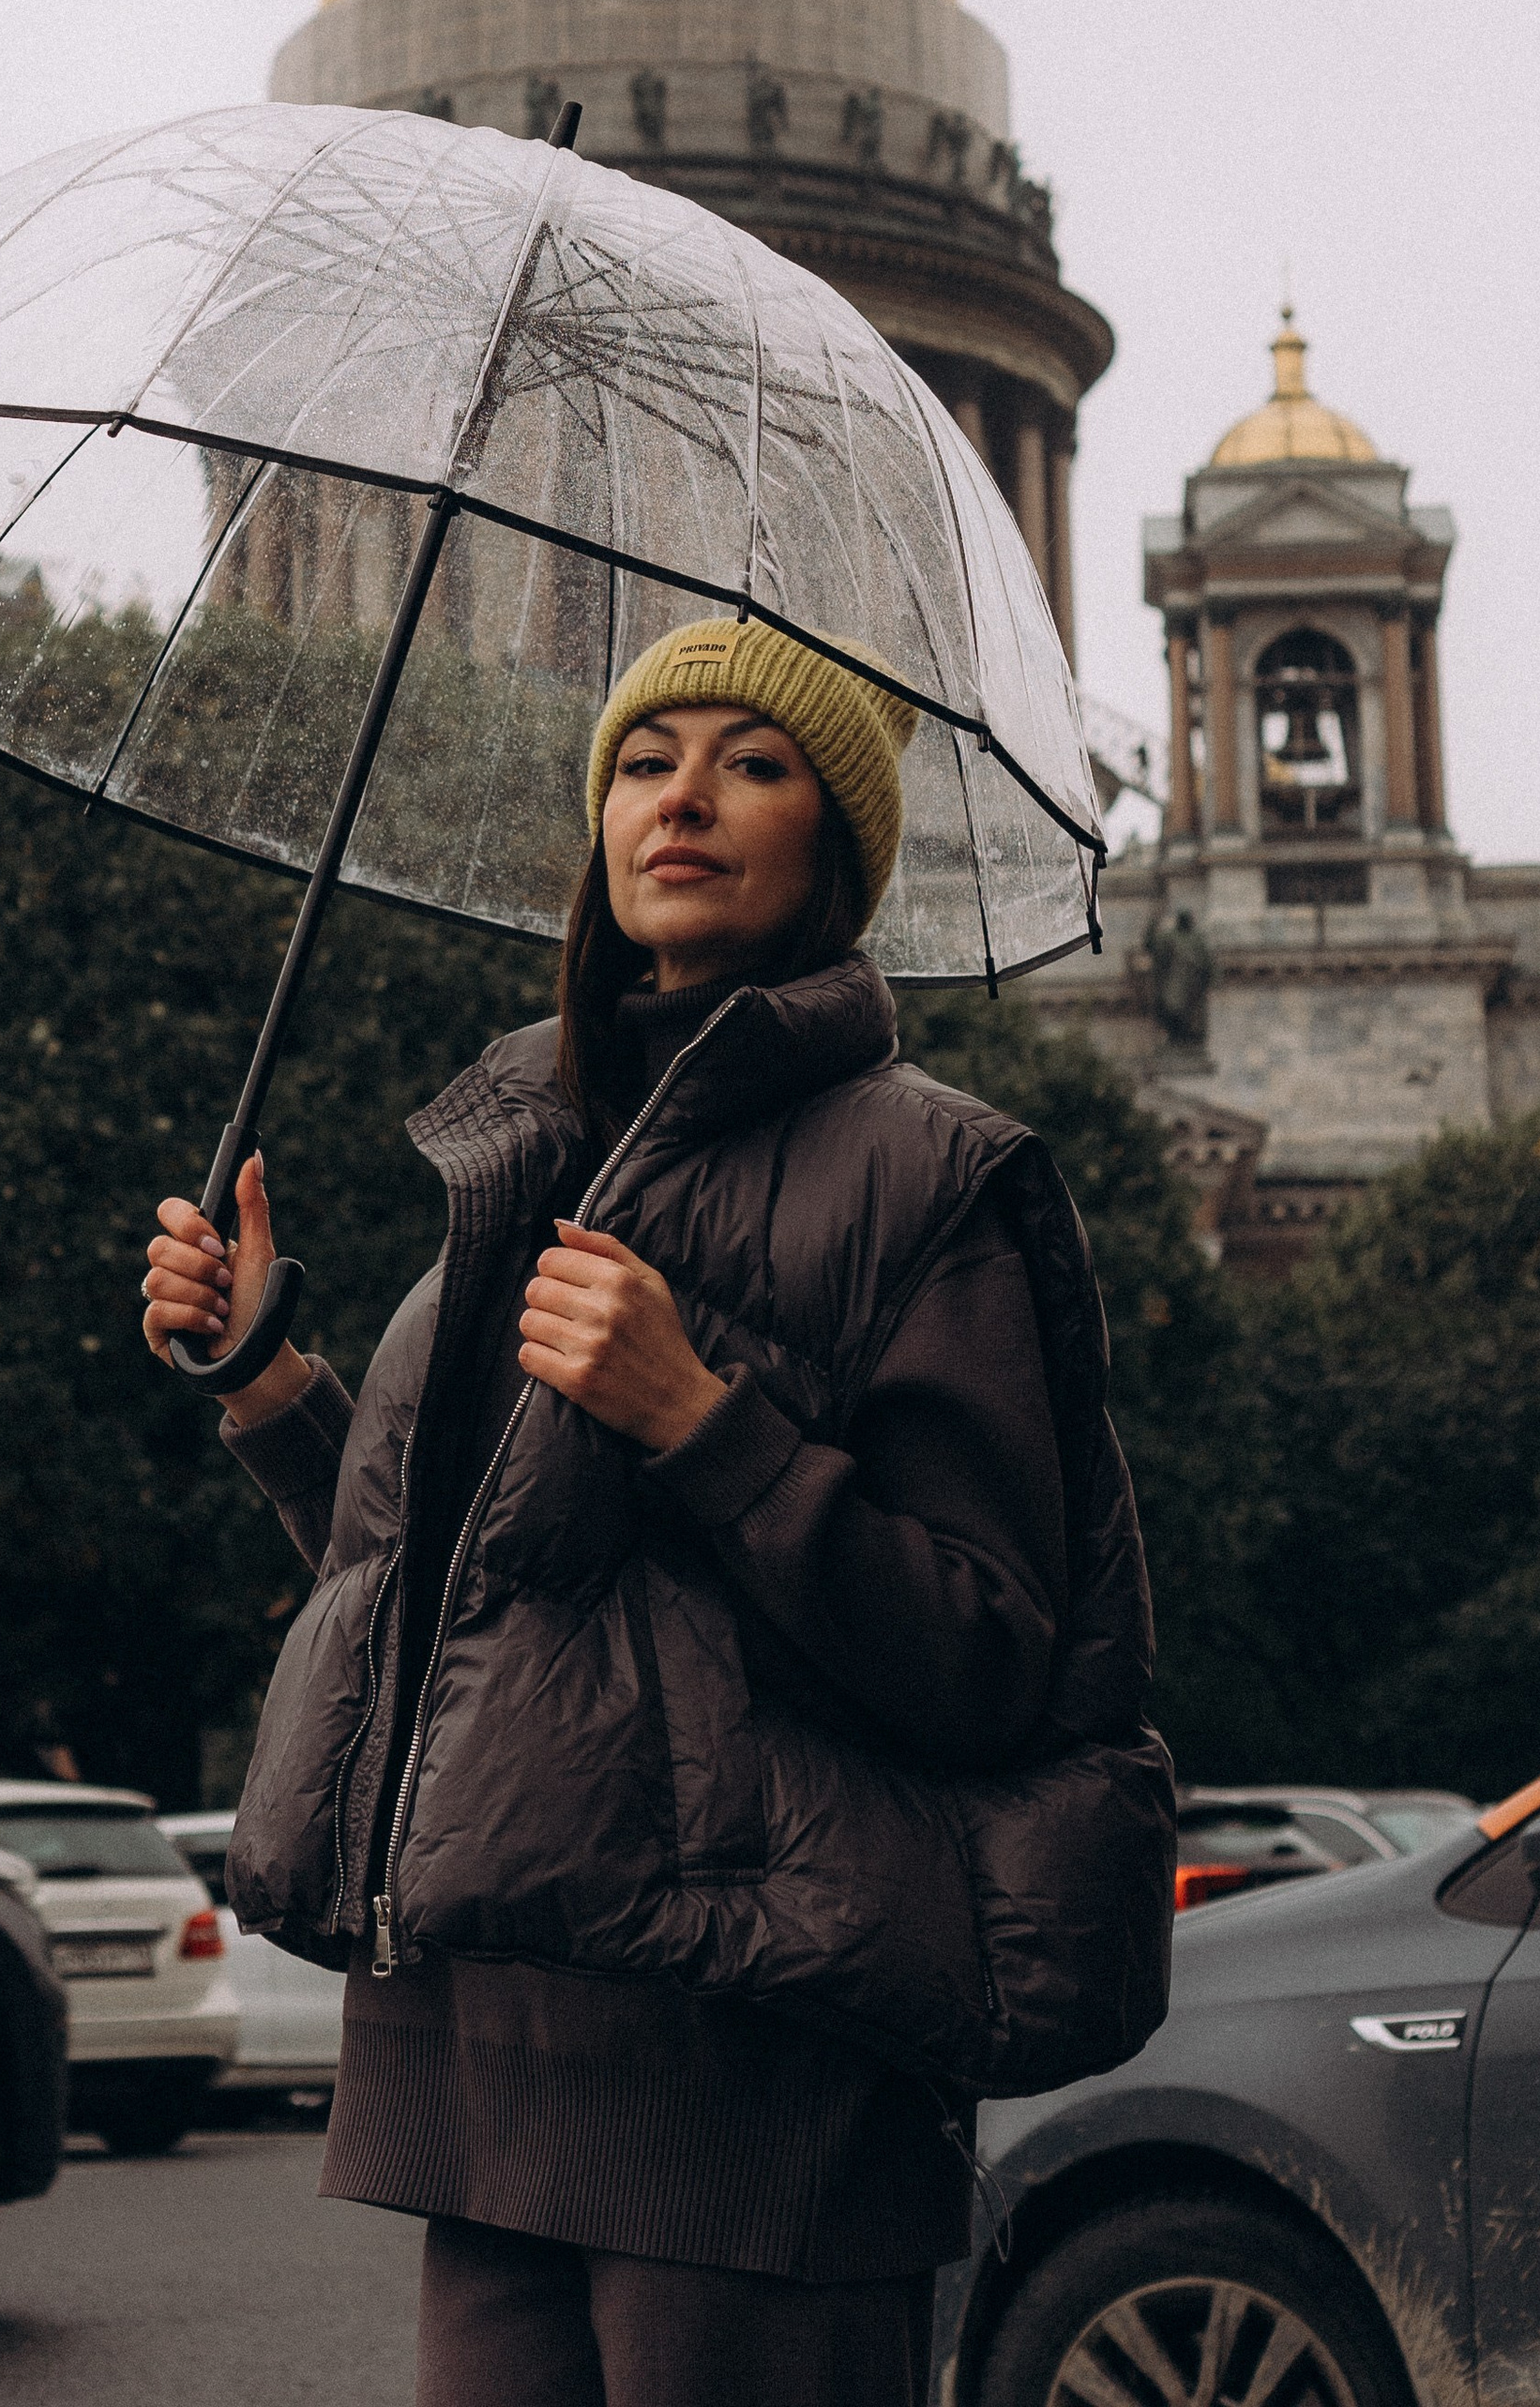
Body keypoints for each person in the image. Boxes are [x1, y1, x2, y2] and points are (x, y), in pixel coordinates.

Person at [142, 618, 1170, 2407]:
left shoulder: (933, 1173)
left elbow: (994, 1656)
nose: (682, 797)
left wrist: (701, 1420)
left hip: (750, 2069)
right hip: (487, 2050)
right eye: (642, 759)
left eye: (752, 764)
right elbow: (477, 1616)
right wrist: (261, 1376)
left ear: (833, 854)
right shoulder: (528, 1143)